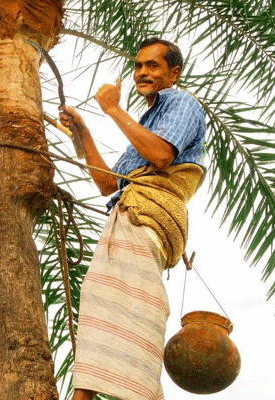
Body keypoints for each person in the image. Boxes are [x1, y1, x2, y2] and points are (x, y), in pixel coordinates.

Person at [59, 38, 207, 400]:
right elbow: (107, 183)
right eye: (139, 66)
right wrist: (83, 133)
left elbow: (160, 155)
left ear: (174, 73)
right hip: (130, 214)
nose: (142, 73)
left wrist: (113, 109)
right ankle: (84, 395)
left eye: (153, 66)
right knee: (102, 308)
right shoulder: (146, 124)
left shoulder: (181, 102)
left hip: (146, 217)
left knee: (132, 308)